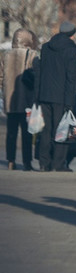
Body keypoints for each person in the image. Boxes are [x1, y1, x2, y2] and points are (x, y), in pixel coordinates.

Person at [34, 21, 76, 172]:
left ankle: (43, 163)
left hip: (45, 94)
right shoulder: (72, 49)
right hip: (61, 96)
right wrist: (70, 101)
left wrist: (38, 95)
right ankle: (58, 164)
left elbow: (40, 72)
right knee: (61, 129)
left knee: (46, 130)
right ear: (72, 34)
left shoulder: (46, 47)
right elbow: (71, 77)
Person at [1, 28, 39, 171]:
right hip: (26, 100)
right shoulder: (32, 54)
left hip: (10, 99)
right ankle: (27, 162)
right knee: (26, 133)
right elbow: (35, 76)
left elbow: (1, 77)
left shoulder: (6, 55)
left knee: (11, 133)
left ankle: (11, 161)